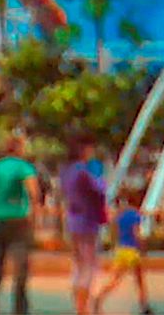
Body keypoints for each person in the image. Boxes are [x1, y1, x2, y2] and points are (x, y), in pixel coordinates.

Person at [0, 135, 41, 315]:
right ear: (19, 148)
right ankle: (20, 309)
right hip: (19, 220)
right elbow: (33, 191)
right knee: (21, 268)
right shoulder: (23, 167)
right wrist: (33, 213)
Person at [60, 135, 107, 315]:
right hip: (87, 222)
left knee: (78, 265)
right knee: (88, 266)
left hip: (72, 221)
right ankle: (83, 309)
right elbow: (99, 190)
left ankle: (79, 307)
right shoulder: (84, 171)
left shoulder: (66, 170)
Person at [92, 190, 153, 315]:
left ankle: (99, 297)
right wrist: (143, 246)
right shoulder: (135, 215)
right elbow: (136, 233)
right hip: (132, 251)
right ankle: (144, 306)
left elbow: (115, 232)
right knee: (139, 280)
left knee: (116, 279)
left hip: (121, 249)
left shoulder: (120, 216)